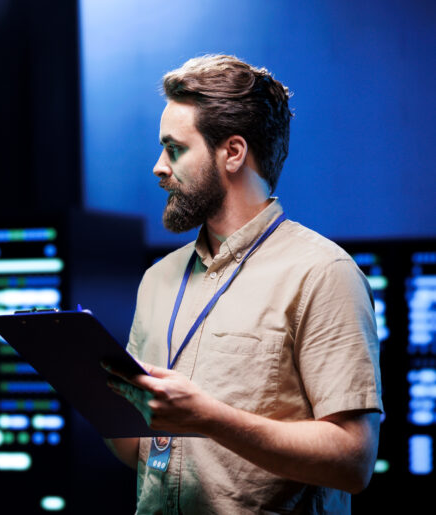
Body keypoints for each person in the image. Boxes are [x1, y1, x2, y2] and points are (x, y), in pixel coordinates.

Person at [102, 54, 383, 514]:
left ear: (232, 152)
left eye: (174, 149)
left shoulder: (323, 273)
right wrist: (89, 389)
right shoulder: (159, 278)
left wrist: (209, 418)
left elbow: (353, 463)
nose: (158, 167)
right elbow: (138, 450)